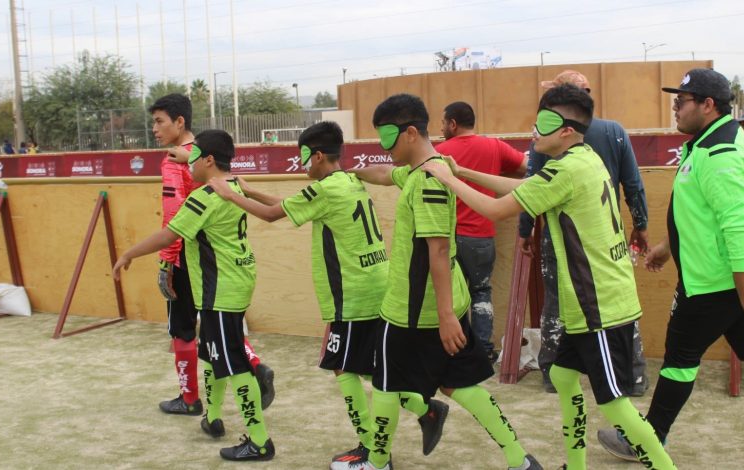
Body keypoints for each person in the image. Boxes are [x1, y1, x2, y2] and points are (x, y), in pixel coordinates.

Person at [424, 84, 676, 470]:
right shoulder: (583, 159)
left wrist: (447, 178)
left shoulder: (567, 169)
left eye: (543, 123)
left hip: (599, 306)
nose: (534, 131)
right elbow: (526, 187)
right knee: (561, 374)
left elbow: (496, 209)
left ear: (567, 131)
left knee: (615, 406)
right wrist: (463, 171)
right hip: (593, 303)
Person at [204, 120, 450, 465]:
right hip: (373, 287)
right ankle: (426, 409)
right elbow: (290, 206)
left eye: (304, 156)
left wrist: (230, 194)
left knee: (342, 368)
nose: (302, 163)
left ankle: (372, 445)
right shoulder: (345, 182)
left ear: (318, 155)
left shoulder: (325, 189)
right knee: (367, 368)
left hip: (352, 295)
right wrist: (250, 191)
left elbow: (273, 215)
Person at [331, 94, 541, 470]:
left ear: (411, 132)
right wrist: (351, 172)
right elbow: (385, 174)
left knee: (385, 384)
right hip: (439, 303)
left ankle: (376, 461)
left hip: (412, 309)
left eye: (387, 137)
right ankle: (519, 459)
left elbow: (439, 250)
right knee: (458, 384)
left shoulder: (428, 179)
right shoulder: (424, 169)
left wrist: (444, 316)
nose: (383, 146)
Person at [596, 68, 744, 463]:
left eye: (682, 101)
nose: (675, 108)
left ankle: (649, 439)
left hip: (718, 281)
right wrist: (666, 247)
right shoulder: (708, 143)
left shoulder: (721, 152)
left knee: (680, 356)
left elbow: (737, 224)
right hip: (729, 276)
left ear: (708, 105)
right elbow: (702, 217)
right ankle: (651, 436)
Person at [113, 129, 275, 461]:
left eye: (195, 155)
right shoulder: (234, 186)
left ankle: (260, 440)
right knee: (212, 353)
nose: (189, 162)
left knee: (234, 365)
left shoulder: (205, 197)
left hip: (221, 290)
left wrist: (129, 253)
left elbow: (168, 235)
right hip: (233, 283)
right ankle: (213, 418)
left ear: (209, 160)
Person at [519, 70, 650, 395]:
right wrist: (641, 225)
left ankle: (554, 374)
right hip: (606, 233)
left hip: (562, 236)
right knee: (617, 303)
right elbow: (633, 185)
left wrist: (526, 229)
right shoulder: (613, 131)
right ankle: (632, 376)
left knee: (557, 302)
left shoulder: (551, 134)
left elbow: (531, 185)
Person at [148, 94, 274, 419]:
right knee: (218, 327)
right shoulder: (207, 152)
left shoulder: (176, 160)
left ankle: (190, 398)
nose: (154, 129)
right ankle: (252, 366)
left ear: (179, 122)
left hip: (186, 256)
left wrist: (167, 260)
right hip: (218, 263)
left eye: (159, 121)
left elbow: (174, 213)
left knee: (183, 329)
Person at [436, 101, 527, 362]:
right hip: (481, 238)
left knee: (453, 294)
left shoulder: (440, 153)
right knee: (481, 292)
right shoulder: (495, 146)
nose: (441, 129)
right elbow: (525, 167)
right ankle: (484, 350)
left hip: (450, 239)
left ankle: (456, 349)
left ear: (453, 124)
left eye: (443, 123)